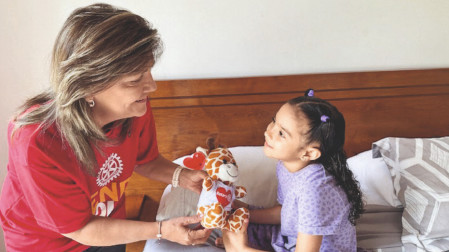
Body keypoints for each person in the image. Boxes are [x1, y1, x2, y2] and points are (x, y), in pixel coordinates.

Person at [0, 3, 211, 252]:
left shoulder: (133, 107)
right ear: (87, 85)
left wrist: (185, 177)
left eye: (148, 71)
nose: (151, 86)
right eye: (135, 80)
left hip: (109, 226)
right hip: (46, 244)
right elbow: (80, 228)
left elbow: (144, 160)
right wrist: (161, 230)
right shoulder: (37, 141)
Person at [220, 90, 364, 251]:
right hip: (292, 238)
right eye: (274, 121)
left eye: (281, 133)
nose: (269, 131)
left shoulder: (315, 189)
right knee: (229, 224)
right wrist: (241, 210)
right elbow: (286, 213)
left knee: (235, 243)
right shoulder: (286, 166)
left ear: (308, 153)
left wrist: (241, 249)